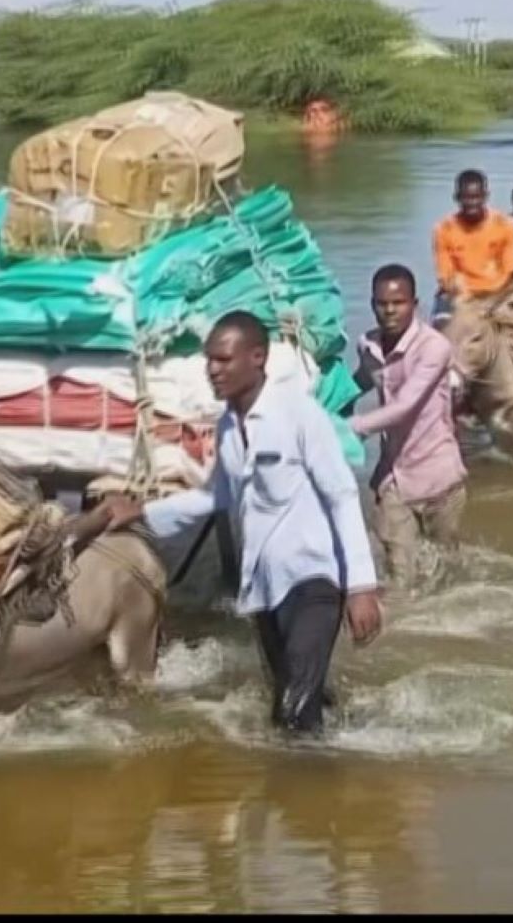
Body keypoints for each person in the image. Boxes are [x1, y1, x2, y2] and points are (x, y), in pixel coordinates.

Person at [87, 313, 381, 736]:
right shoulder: (227, 427)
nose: (212, 369)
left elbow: (341, 494)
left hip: (313, 582)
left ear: (257, 357)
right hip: (264, 588)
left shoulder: (299, 415)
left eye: (223, 359)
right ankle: (347, 745)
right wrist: (142, 512)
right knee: (294, 697)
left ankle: (313, 793)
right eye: (209, 360)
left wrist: (361, 588)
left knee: (292, 716)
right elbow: (215, 496)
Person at [348, 265, 465, 597]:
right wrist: (322, 407)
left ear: (414, 304)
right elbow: (360, 382)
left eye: (398, 303)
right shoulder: (368, 344)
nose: (389, 311)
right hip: (394, 476)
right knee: (399, 575)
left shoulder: (434, 348)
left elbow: (405, 407)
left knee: (446, 572)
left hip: (438, 474)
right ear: (373, 304)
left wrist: (352, 427)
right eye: (382, 303)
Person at [430, 169, 513, 321]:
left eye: (476, 197)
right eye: (466, 198)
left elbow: (510, 274)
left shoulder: (504, 225)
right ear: (456, 198)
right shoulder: (444, 229)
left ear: (486, 196)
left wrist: (493, 303)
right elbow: (446, 276)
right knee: (440, 330)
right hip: (460, 295)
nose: (472, 203)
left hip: (499, 294)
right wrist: (463, 299)